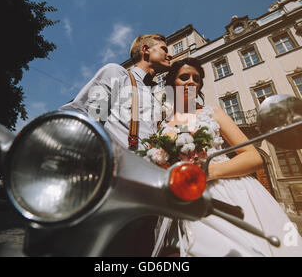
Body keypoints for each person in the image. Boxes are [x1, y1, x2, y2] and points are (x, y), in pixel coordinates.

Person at [152, 57, 302, 257]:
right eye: (184, 77)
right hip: (181, 201)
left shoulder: (212, 112)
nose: (191, 82)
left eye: (196, 79)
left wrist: (209, 171)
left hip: (224, 191)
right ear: (172, 84)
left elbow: (254, 157)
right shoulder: (163, 125)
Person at [60, 33, 172, 256]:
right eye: (164, 48)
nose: (169, 53)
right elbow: (92, 120)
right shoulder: (117, 74)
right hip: (114, 181)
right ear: (146, 50)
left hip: (148, 185)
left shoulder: (154, 95)